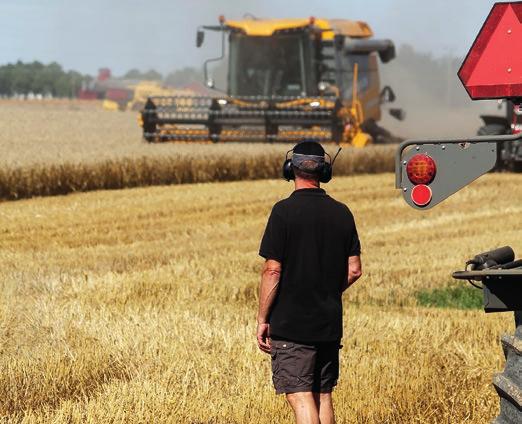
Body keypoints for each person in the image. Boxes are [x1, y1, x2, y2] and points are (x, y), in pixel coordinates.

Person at [256, 140, 362, 424]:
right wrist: (326, 290)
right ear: (324, 171)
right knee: (322, 394)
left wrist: (262, 318)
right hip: (328, 322)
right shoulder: (342, 212)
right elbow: (354, 270)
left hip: (292, 325)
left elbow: (272, 271)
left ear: (290, 168)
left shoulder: (283, 212)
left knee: (300, 395)